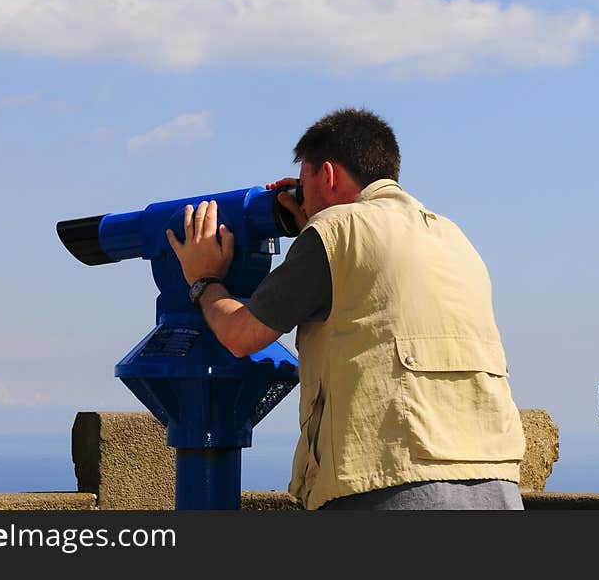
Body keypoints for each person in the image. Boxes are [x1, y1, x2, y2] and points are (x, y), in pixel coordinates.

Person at [166, 107, 526, 510]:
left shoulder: (336, 231)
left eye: (304, 185)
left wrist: (204, 279)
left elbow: (239, 335)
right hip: (496, 483)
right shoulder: (451, 235)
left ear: (329, 176)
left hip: (390, 488)